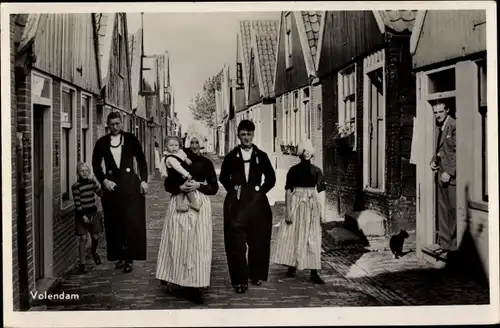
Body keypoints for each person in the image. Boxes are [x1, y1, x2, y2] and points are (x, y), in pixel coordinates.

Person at [156, 132, 219, 304]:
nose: (194, 145)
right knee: (176, 242)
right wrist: (179, 187)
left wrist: (200, 185)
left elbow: (214, 188)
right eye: (191, 141)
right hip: (179, 202)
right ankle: (172, 274)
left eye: (197, 141)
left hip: (199, 205)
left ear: (202, 143)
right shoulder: (176, 157)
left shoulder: (206, 163)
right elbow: (167, 184)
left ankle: (195, 285)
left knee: (197, 246)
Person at [219, 120, 276, 294]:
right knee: (236, 243)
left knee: (258, 240)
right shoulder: (231, 156)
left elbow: (271, 179)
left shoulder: (261, 155)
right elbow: (223, 177)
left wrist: (260, 192)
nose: (246, 138)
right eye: (243, 134)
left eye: (249, 134)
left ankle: (256, 275)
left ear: (253, 135)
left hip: (257, 205)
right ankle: (240, 281)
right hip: (236, 206)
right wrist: (234, 189)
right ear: (238, 135)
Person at [91, 112, 149, 274]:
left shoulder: (131, 139)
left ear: (122, 123)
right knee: (115, 222)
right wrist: (104, 180)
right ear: (107, 125)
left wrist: (143, 181)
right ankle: (120, 256)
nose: (115, 127)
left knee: (131, 222)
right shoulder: (102, 142)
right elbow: (95, 164)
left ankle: (130, 257)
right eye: (112, 124)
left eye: (117, 124)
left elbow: (142, 161)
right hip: (112, 188)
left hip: (131, 187)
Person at [271, 139, 326, 284]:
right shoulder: (293, 171)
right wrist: (288, 211)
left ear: (311, 153)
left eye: (309, 150)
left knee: (312, 237)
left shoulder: (317, 171)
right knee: (292, 234)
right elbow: (288, 191)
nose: (306, 153)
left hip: (311, 205)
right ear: (300, 152)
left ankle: (314, 271)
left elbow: (321, 192)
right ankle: (291, 265)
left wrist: (322, 212)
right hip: (296, 203)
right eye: (304, 150)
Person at [430, 102, 457, 257]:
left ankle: (453, 247)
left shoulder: (454, 125)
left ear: (447, 110)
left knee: (452, 210)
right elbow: (441, 149)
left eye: (440, 111)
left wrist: (451, 172)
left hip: (451, 177)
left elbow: (457, 151)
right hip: (441, 174)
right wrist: (433, 161)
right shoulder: (440, 126)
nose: (438, 115)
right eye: (435, 112)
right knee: (443, 209)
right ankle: (445, 244)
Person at [71, 162, 103, 274]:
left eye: (86, 171)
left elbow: (100, 193)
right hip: (82, 214)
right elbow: (77, 203)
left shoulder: (92, 183)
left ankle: (94, 251)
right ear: (78, 173)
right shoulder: (76, 186)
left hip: (93, 213)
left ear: (89, 172)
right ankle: (82, 264)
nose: (84, 173)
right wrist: (83, 216)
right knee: (83, 238)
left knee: (95, 237)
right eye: (81, 171)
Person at [162, 135, 200, 212]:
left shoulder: (178, 153)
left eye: (176, 145)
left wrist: (186, 159)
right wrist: (186, 174)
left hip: (179, 177)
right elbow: (178, 167)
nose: (174, 147)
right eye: (171, 145)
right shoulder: (170, 158)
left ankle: (186, 204)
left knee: (183, 190)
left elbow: (182, 155)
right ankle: (191, 203)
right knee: (185, 188)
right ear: (166, 146)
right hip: (175, 178)